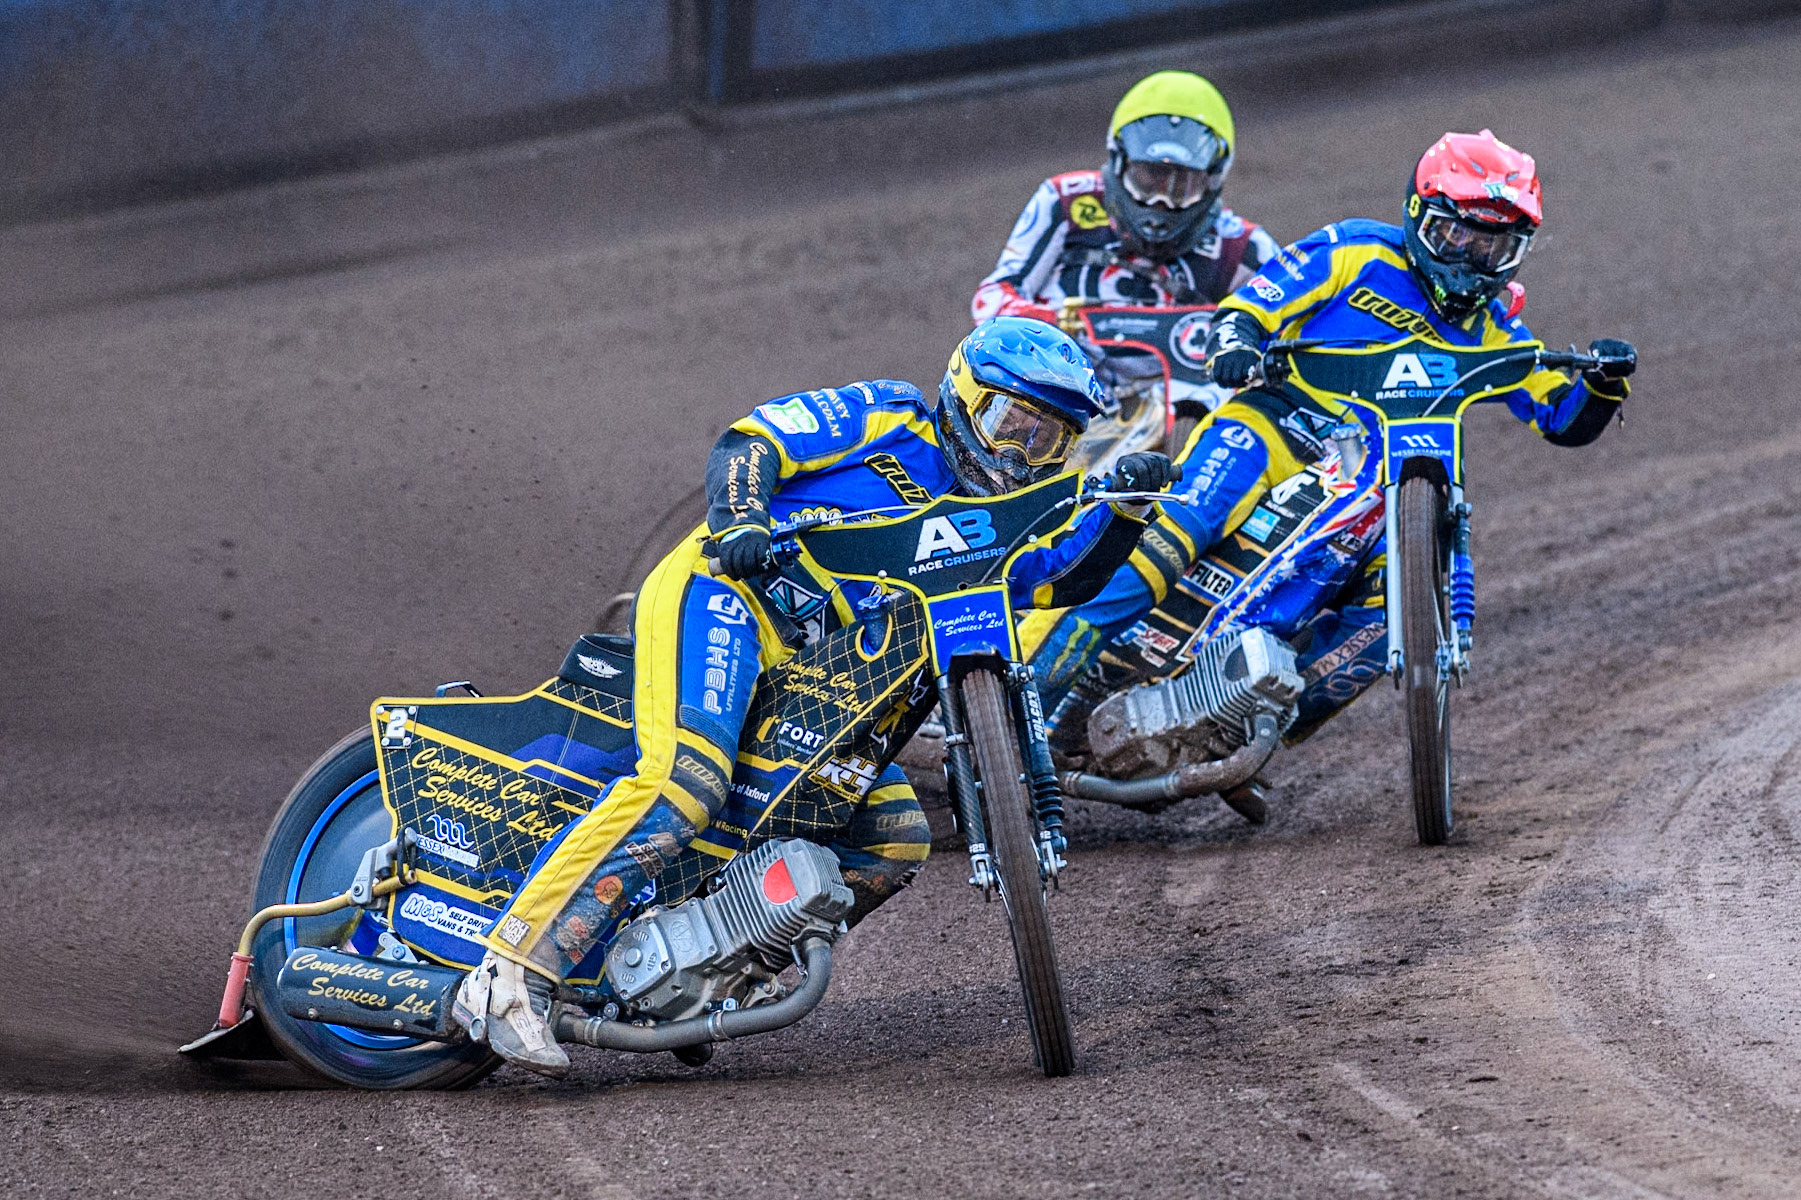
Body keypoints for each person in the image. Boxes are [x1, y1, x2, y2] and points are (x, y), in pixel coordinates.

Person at [453, 317, 1176, 1075]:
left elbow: (1055, 581)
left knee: (894, 837)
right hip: (727, 597)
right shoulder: (891, 414)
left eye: (1046, 440)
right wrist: (739, 518)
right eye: (1010, 423)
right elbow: (750, 441)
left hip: (814, 675)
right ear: (964, 395)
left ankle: (710, 977)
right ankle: (509, 974)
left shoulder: (1001, 520)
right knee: (686, 778)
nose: (1018, 453)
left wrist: (1122, 517)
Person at [1021, 129, 1637, 808]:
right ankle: (1022, 702)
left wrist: (1603, 382)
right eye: (1454, 236)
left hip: (1384, 481)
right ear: (1415, 215)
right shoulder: (1355, 250)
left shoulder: (1494, 327)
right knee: (1169, 538)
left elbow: (1562, 419)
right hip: (1272, 428)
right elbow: (1253, 304)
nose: (1468, 259)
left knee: (1385, 624)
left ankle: (1227, 730)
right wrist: (1237, 341)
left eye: (1489, 245)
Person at [973, 70, 1280, 326]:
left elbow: (1295, 330)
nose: (1161, 202)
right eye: (1148, 177)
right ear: (1120, 163)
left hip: (1184, 394)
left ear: (1213, 178)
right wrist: (1037, 320)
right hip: (1064, 382)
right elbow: (993, 296)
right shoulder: (1065, 200)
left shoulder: (1243, 247)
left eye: (1181, 184)